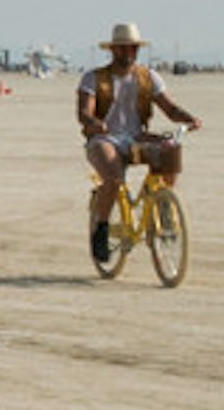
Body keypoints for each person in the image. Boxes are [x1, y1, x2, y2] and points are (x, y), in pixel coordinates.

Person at [75, 18, 195, 266]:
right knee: (114, 176)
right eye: (123, 48)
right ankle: (101, 229)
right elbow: (83, 113)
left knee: (170, 153)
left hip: (136, 136)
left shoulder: (147, 77)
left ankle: (164, 208)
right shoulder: (94, 78)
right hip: (104, 138)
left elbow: (169, 108)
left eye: (133, 48)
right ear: (113, 50)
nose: (129, 52)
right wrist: (95, 124)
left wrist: (188, 119)